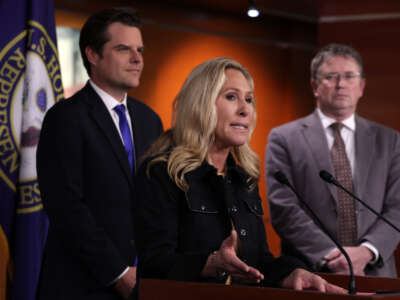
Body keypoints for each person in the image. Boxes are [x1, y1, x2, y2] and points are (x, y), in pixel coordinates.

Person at [133, 57, 345, 294]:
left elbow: (259, 261)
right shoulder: (162, 172)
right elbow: (153, 265)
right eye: (231, 97)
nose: (245, 110)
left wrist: (293, 272)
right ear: (200, 103)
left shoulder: (243, 178)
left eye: (249, 99)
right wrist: (211, 263)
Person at [36, 7, 163, 300]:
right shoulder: (65, 118)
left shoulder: (150, 120)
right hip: (80, 285)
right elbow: (66, 207)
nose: (138, 58)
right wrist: (118, 272)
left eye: (140, 49)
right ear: (93, 55)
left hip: (143, 282)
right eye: (123, 49)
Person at [265, 43, 400, 278]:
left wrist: (367, 251)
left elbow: (398, 206)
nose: (341, 85)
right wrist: (331, 255)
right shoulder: (284, 138)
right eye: (331, 77)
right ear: (314, 86)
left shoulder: (389, 140)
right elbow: (283, 207)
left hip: (375, 272)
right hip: (311, 273)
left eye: (349, 76)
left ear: (362, 86)